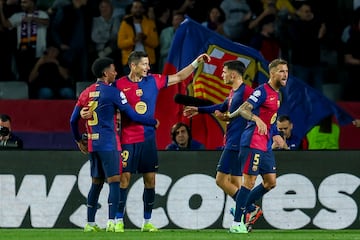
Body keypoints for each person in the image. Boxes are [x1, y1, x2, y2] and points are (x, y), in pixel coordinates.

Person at [81, 51, 211, 232]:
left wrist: (196, 62)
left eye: (148, 64)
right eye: (144, 64)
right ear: (133, 66)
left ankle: (147, 221)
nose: (148, 68)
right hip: (127, 138)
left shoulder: (154, 81)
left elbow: (180, 76)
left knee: (150, 180)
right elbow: (96, 95)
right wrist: (84, 112)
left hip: (149, 139)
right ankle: (118, 220)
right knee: (124, 180)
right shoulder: (118, 84)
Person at [70, 57, 158, 233]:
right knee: (115, 183)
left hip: (93, 144)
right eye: (113, 70)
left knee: (96, 183)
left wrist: (79, 140)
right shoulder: (113, 92)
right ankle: (112, 222)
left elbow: (73, 120)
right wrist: (152, 121)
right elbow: (132, 115)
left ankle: (90, 223)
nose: (116, 73)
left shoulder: (86, 92)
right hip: (110, 144)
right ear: (105, 73)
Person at [227, 58, 289, 233]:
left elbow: (272, 119)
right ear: (272, 73)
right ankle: (236, 223)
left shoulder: (278, 95)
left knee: (270, 182)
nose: (285, 74)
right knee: (249, 181)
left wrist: (276, 135)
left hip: (266, 144)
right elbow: (245, 109)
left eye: (286, 71)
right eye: (281, 71)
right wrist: (256, 119)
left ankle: (242, 206)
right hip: (253, 141)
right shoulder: (261, 91)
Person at [183, 60, 252, 204]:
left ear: (233, 75)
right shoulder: (234, 92)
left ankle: (250, 208)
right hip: (234, 141)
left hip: (236, 142)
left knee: (220, 180)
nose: (222, 75)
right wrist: (198, 109)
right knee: (235, 181)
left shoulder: (247, 92)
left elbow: (257, 111)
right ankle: (242, 219)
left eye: (224, 72)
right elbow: (222, 106)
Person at [0, 0, 49, 82]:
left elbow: (47, 22)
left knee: (38, 78)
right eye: (21, 2)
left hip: (39, 53)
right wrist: (0, 9)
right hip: (23, 52)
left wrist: (33, 19)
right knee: (23, 77)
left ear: (32, 3)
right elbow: (6, 24)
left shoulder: (42, 14)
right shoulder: (18, 15)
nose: (22, 4)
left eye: (25, 2)